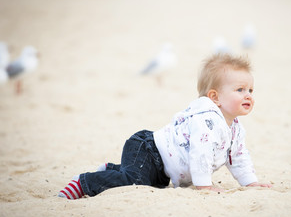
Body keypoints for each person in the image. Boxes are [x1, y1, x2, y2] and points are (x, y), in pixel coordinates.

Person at [58, 54, 272, 200]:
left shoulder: (235, 129)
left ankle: (112, 170)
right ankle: (83, 182)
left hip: (162, 167)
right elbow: (200, 153)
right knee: (135, 183)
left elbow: (239, 157)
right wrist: (204, 185)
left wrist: (250, 182)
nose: (248, 95)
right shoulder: (207, 120)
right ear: (215, 97)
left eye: (251, 90)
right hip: (148, 150)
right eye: (240, 89)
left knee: (154, 185)